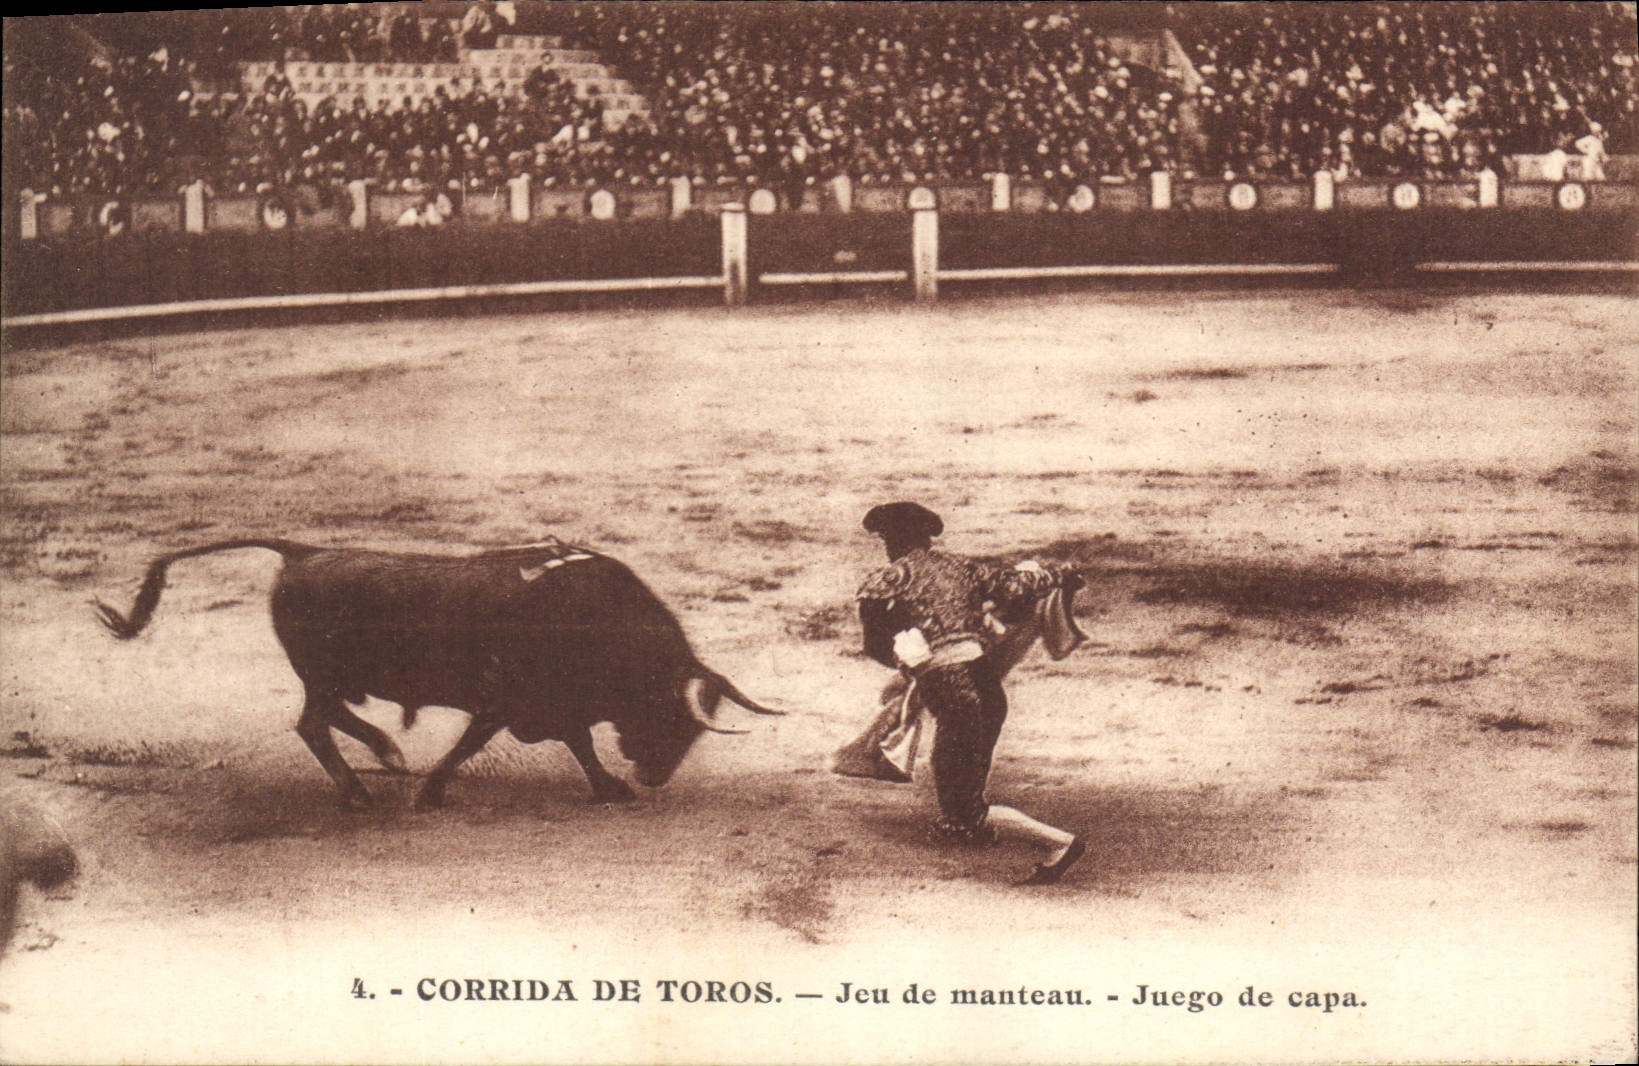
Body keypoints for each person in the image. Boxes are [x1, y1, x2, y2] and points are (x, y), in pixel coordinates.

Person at [843, 501, 1088, 885]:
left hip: (955, 695)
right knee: (966, 773)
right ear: (927, 537)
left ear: (892, 539)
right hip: (987, 688)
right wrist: (1063, 572)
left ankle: (1060, 844)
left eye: (887, 538)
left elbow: (875, 646)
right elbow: (1022, 585)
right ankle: (971, 827)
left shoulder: (888, 581)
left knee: (961, 803)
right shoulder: (962, 568)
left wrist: (908, 659)